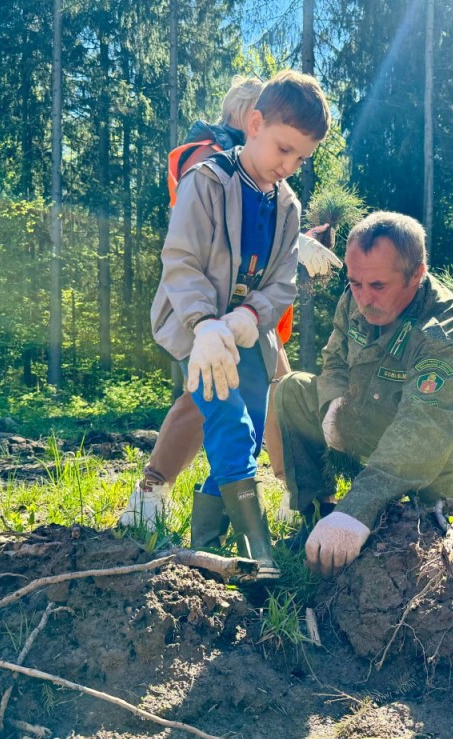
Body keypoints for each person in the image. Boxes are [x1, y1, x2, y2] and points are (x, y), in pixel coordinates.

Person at [122, 77, 340, 531]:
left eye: (301, 158)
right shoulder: (207, 179)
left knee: (256, 424)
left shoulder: (288, 204)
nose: (290, 165)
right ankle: (247, 535)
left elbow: (282, 281)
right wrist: (205, 324)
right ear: (254, 124)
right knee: (227, 421)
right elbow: (181, 260)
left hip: (249, 331)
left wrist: (250, 316)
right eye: (284, 150)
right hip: (196, 325)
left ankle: (210, 532)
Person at [274, 211, 453, 577]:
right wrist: (333, 407)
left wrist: (357, 509)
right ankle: (317, 517)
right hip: (382, 413)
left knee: (417, 509)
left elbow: (422, 433)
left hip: (445, 442)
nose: (363, 298)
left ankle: (411, 529)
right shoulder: (356, 296)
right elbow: (333, 360)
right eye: (355, 283)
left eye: (378, 286)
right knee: (296, 390)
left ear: (417, 273)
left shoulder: (442, 334)